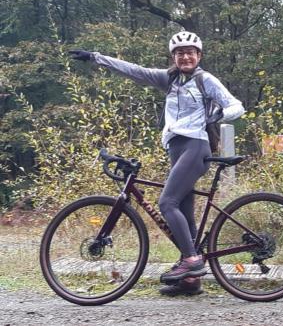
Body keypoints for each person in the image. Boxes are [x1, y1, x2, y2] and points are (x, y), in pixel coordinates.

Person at [69, 31, 245, 297]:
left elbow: (236, 106)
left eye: (190, 52)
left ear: (199, 56)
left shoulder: (205, 79)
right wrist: (96, 57)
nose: (185, 57)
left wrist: (217, 114)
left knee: (167, 203)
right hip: (176, 149)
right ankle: (191, 281)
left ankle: (191, 262)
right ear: (173, 57)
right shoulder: (169, 79)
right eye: (179, 53)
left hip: (196, 146)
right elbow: (134, 71)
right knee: (183, 213)